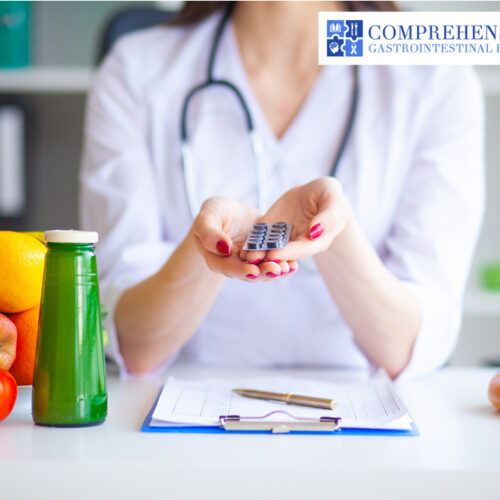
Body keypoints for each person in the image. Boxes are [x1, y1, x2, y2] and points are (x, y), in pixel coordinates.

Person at [80, 1, 484, 379]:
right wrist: (205, 248)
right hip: (177, 417)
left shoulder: (436, 78)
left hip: (368, 423)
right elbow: (129, 341)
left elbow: (412, 343)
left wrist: (332, 237)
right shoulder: (135, 69)